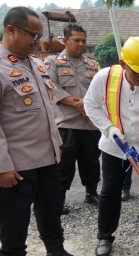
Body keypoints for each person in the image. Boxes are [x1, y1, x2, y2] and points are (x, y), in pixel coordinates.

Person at [0, 7, 88, 256]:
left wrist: (56, 147)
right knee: (15, 218)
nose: (36, 41)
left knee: (50, 209)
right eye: (32, 35)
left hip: (46, 157)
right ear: (11, 30)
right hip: (16, 164)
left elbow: (47, 110)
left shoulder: (35, 65)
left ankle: (55, 253)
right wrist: (0, 168)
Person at [84, 36, 139, 256]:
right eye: (137, 73)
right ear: (124, 64)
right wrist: (108, 127)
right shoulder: (104, 77)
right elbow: (90, 105)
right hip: (115, 145)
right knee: (110, 190)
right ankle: (105, 235)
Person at [45, 24, 101, 215]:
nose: (81, 44)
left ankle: (91, 193)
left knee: (92, 161)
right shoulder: (53, 62)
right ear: (65, 40)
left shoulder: (93, 65)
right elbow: (52, 88)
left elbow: (99, 91)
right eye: (76, 40)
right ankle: (58, 199)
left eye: (84, 40)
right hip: (66, 123)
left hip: (90, 123)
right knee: (63, 164)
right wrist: (79, 104)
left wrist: (89, 105)